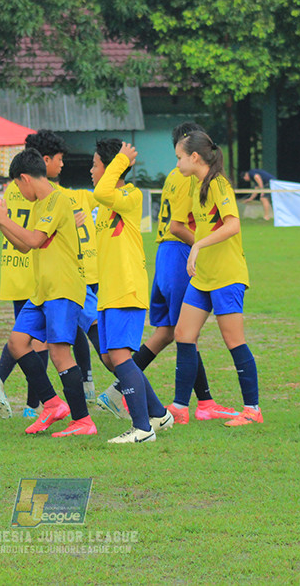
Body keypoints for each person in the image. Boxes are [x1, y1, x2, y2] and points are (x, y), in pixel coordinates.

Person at [99, 122, 228, 423]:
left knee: (169, 332)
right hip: (180, 252)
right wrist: (207, 245)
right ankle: (189, 404)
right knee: (187, 332)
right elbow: (180, 224)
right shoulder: (190, 176)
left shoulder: (173, 174)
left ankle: (118, 392)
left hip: (164, 255)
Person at [0, 130, 101, 419]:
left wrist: (3, 219)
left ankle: (82, 418)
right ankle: (51, 404)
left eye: (16, 185)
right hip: (43, 289)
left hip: (62, 288)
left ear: (24, 178)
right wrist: (1, 224)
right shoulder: (40, 205)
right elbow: (25, 246)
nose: (18, 192)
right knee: (18, 342)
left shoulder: (59, 200)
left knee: (64, 353)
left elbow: (34, 240)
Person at [170, 131, 263, 427]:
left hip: (226, 275)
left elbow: (233, 225)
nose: (178, 164)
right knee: (183, 335)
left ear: (194, 157)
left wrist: (198, 244)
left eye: (179, 158)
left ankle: (252, 410)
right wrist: (198, 243)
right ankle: (180, 407)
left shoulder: (219, 184)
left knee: (234, 341)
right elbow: (183, 226)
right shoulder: (196, 185)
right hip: (203, 277)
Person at [91, 139, 173, 443]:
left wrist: (121, 160)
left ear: (113, 167)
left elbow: (102, 190)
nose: (91, 170)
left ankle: (142, 429)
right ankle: (159, 414)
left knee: (120, 355)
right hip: (109, 290)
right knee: (111, 358)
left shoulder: (130, 195)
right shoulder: (104, 203)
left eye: (96, 164)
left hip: (126, 286)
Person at [0, 136, 47, 420]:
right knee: (39, 341)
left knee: (21, 335)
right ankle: (33, 403)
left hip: (12, 271)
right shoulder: (45, 192)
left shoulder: (11, 189)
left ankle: (0, 379)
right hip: (36, 272)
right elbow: (36, 239)